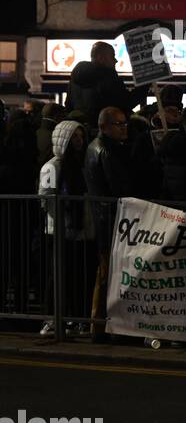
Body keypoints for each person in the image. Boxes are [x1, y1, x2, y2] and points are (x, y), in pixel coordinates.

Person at [83, 106, 138, 342]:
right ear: (104, 126)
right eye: (119, 124)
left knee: (106, 274)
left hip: (106, 218)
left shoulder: (97, 147)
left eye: (125, 123)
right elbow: (120, 186)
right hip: (111, 220)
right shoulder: (106, 150)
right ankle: (101, 327)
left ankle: (101, 325)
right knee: (107, 274)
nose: (124, 128)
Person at [38, 120, 94, 336]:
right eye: (74, 138)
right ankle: (53, 319)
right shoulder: (53, 166)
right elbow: (45, 196)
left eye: (81, 137)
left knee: (78, 276)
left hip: (81, 231)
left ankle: (75, 319)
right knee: (59, 276)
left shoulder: (83, 163)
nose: (79, 141)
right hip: (61, 230)